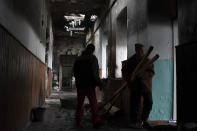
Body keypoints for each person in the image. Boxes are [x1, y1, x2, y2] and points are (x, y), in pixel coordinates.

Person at [121, 43, 155, 129]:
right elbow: (124, 72)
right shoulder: (130, 61)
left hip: (146, 85)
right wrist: (129, 78)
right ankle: (134, 121)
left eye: (142, 50)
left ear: (143, 50)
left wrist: (143, 75)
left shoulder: (147, 61)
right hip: (135, 86)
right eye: (138, 50)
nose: (140, 52)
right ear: (136, 50)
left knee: (149, 102)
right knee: (134, 104)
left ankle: (144, 120)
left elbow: (151, 72)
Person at [73, 44, 103, 128]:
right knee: (93, 104)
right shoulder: (92, 59)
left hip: (80, 86)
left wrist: (79, 80)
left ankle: (78, 121)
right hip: (89, 86)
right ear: (93, 50)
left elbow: (74, 73)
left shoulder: (78, 59)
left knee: (79, 104)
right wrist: (99, 83)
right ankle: (95, 122)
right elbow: (95, 74)